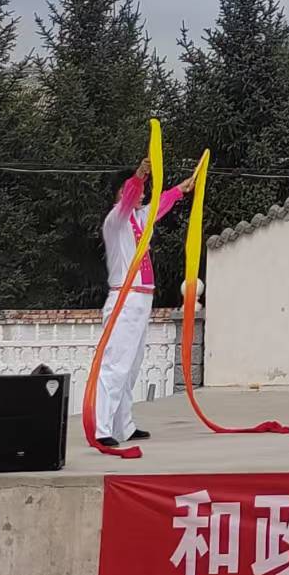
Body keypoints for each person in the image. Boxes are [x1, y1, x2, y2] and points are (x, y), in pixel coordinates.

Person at [97, 157, 197, 447]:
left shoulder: (138, 219)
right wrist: (140, 175)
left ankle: (123, 426)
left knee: (132, 366)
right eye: (137, 190)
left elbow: (159, 205)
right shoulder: (115, 219)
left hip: (141, 300)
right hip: (124, 299)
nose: (142, 194)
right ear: (121, 192)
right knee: (116, 364)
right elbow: (130, 197)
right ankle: (102, 427)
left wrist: (180, 189)